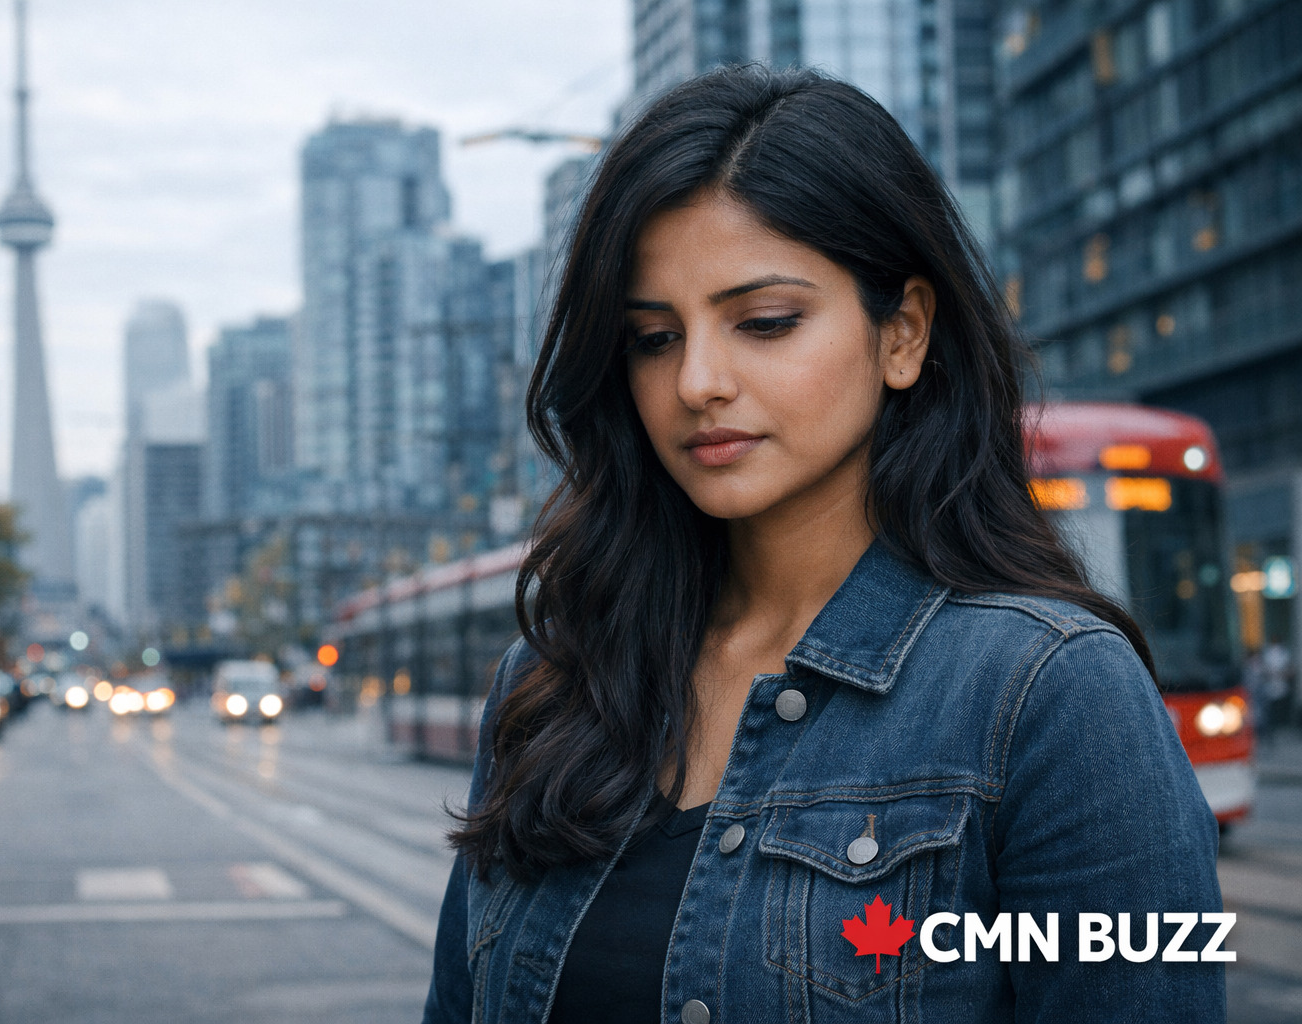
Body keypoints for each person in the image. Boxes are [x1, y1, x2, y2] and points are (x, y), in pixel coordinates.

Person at [422, 66, 1223, 1023]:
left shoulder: (1050, 695)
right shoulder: (550, 682)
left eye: (764, 323)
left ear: (905, 334)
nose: (698, 383)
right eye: (652, 338)